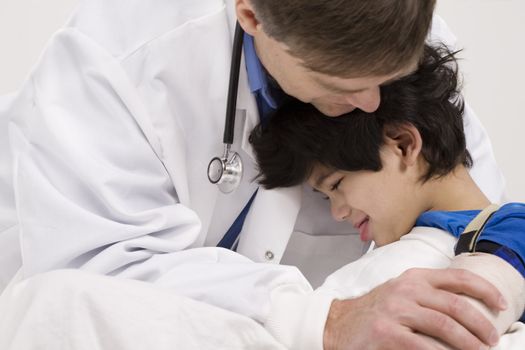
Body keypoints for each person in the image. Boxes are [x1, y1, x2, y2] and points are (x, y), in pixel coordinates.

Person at [0, 1, 511, 349]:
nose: (373, 104)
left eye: (386, 79)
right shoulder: (118, 62)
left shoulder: (392, 37)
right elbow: (88, 274)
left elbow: (461, 206)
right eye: (340, 84)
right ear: (251, 15)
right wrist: (323, 319)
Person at [250, 43, 525, 346]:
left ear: (404, 144)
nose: (337, 213)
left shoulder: (511, 228)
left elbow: (463, 325)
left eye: (337, 184)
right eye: (327, 197)